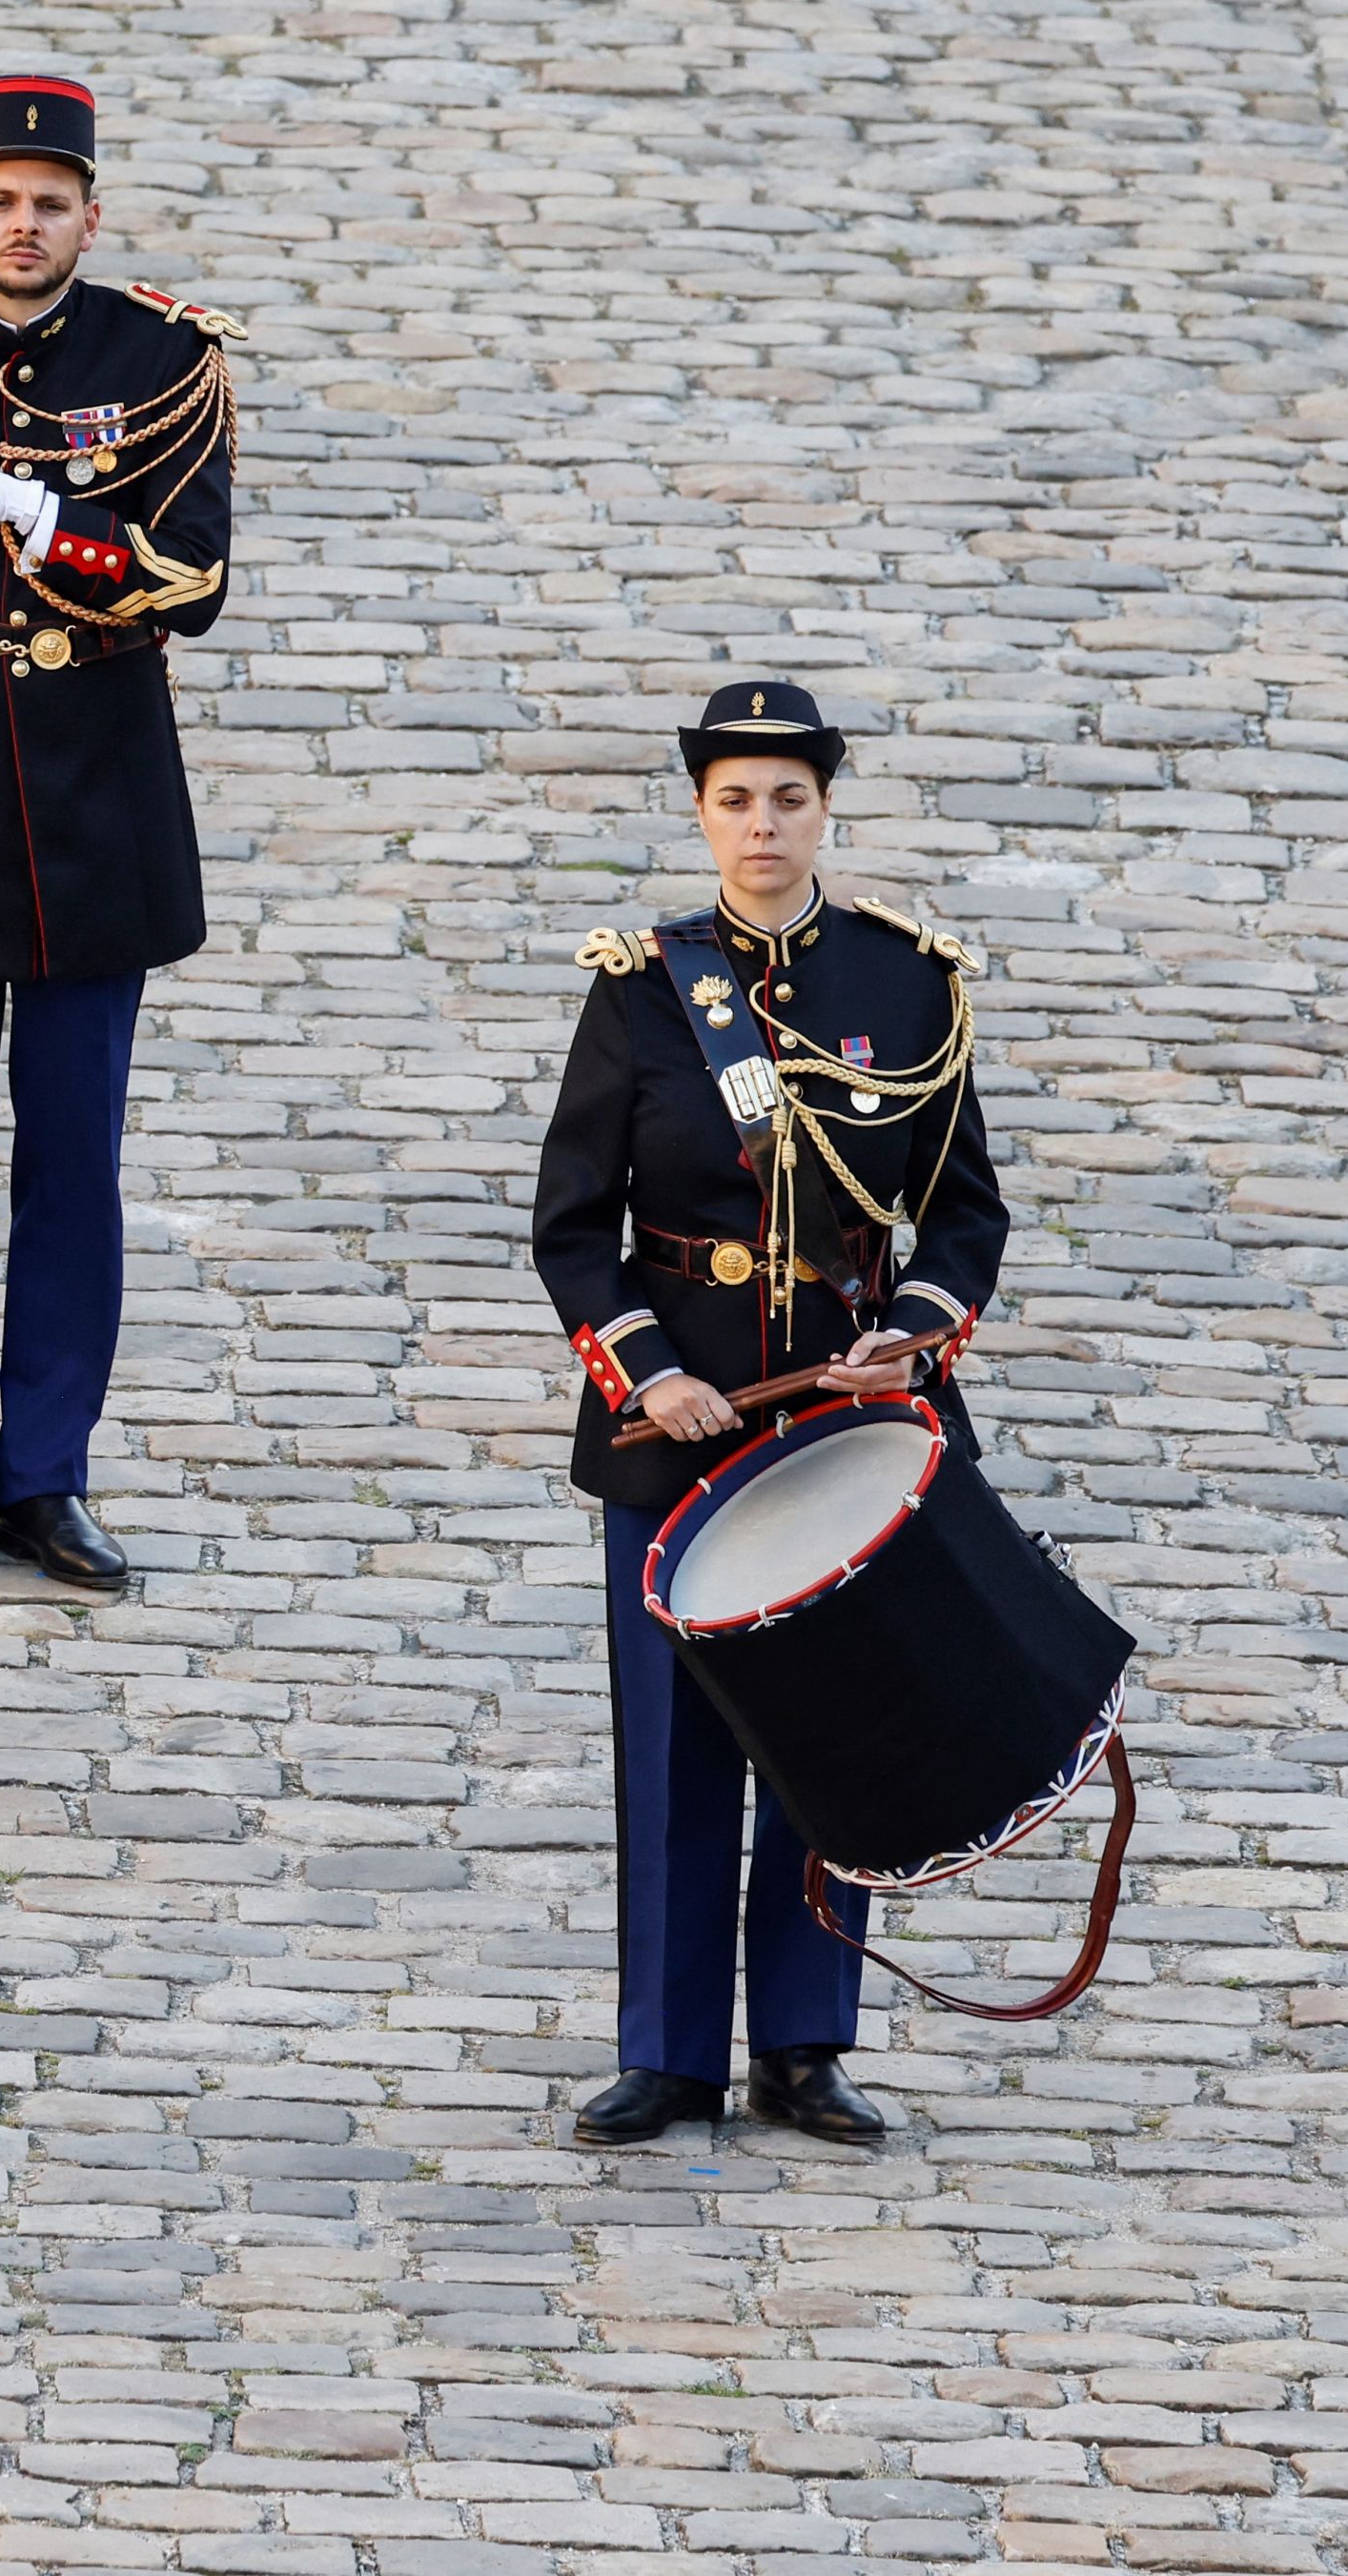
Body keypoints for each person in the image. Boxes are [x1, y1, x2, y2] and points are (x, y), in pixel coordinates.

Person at [529, 682, 1006, 2155]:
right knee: (673, 1744)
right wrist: (645, 1372)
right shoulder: (638, 989)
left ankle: (802, 2047)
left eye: (786, 800)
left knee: (832, 1735)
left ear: (822, 811)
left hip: (839, 1427)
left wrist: (908, 1338)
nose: (761, 826)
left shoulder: (904, 982)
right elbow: (572, 1228)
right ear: (700, 814)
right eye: (734, 800)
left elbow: (962, 1213)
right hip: (679, 1425)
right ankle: (666, 2055)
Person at [0, 75, 238, 1600]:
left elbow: (189, 578)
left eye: (50, 203)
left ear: (90, 215)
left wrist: (31, 515)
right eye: (0, 200)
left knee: (73, 1168)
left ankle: (50, 1471)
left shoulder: (160, 357)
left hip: (93, 812)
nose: (24, 225)